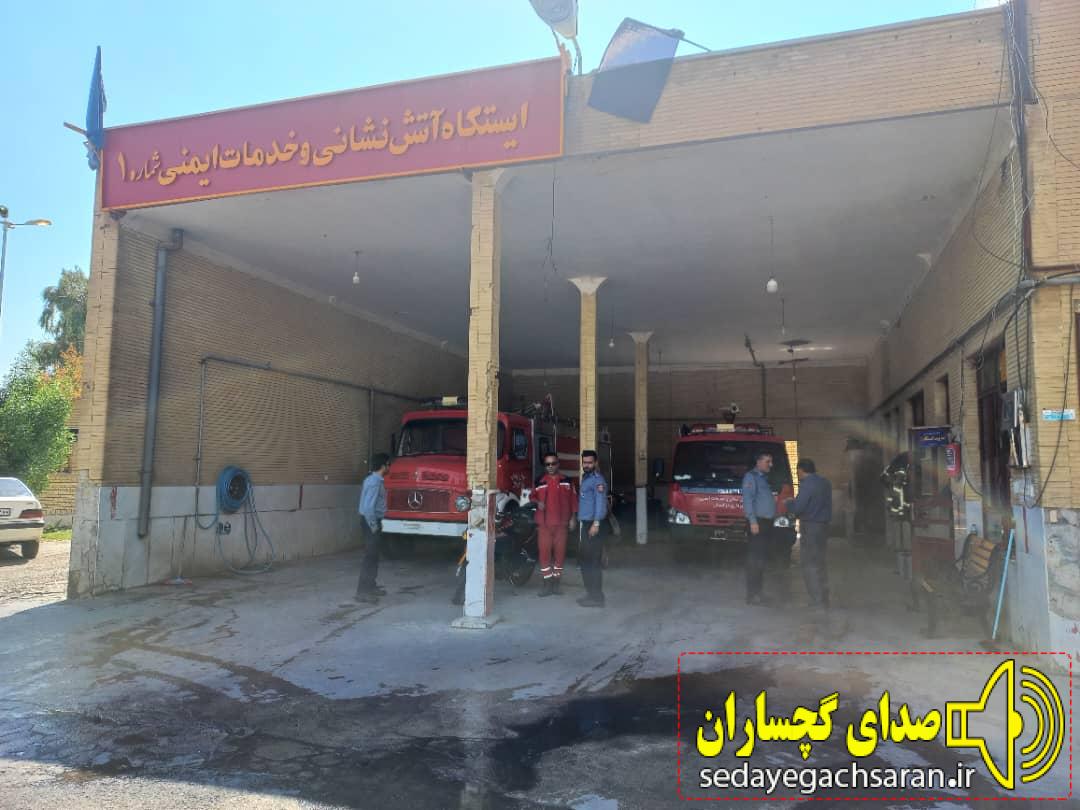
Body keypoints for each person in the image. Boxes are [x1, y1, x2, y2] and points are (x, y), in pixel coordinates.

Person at [785, 459, 833, 609]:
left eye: (797, 472)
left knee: (809, 564)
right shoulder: (825, 482)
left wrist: (789, 503)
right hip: (823, 526)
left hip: (810, 526)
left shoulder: (807, 484)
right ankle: (824, 599)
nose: (797, 475)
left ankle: (816, 601)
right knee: (820, 563)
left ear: (801, 470)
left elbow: (799, 507)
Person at [531, 453, 577, 597]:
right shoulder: (539, 481)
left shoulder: (567, 481)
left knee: (560, 554)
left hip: (562, 524)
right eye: (547, 464)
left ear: (558, 464)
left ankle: (556, 584)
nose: (550, 466)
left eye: (553, 463)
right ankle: (547, 584)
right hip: (544, 524)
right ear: (545, 466)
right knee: (544, 553)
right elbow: (530, 496)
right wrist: (537, 502)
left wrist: (573, 518)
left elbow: (573, 500)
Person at [741, 450, 777, 606]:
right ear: (759, 462)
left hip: (766, 523)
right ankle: (752, 595)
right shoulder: (751, 477)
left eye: (771, 461)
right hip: (758, 523)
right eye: (768, 461)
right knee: (755, 560)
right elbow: (747, 500)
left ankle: (758, 593)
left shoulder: (763, 478)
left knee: (761, 559)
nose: (771, 464)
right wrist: (753, 521)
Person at [355, 453, 391, 603]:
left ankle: (371, 586)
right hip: (371, 522)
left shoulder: (373, 480)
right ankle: (362, 591)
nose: (389, 467)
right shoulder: (375, 482)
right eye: (388, 464)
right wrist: (374, 527)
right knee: (370, 557)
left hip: (373, 521)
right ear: (383, 466)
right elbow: (368, 508)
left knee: (374, 556)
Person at [577, 449, 609, 607]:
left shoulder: (597, 480)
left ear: (595, 463)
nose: (587, 465)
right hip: (586, 524)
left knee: (592, 562)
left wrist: (596, 524)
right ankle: (591, 594)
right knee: (585, 561)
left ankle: (597, 598)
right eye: (585, 462)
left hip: (594, 526)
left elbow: (600, 503)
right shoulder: (586, 478)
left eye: (590, 462)